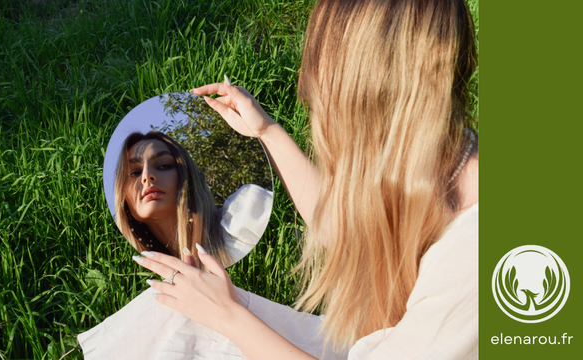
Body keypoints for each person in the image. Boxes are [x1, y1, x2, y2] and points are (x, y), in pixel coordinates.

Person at [80, 0, 478, 358]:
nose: (309, 95)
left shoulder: (477, 254)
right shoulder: (451, 154)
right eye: (134, 171)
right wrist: (266, 131)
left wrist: (228, 316)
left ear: (371, 97)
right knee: (171, 309)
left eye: (323, 90)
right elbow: (346, 230)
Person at [114, 130, 273, 268]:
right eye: (134, 172)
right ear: (123, 197)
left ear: (187, 177)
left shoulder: (245, 214)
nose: (147, 176)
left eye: (164, 165)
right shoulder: (130, 269)